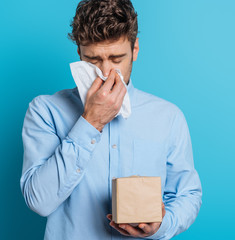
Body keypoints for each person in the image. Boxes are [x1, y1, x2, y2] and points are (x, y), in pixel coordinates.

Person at [20, 0, 202, 239]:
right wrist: (91, 121)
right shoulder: (45, 111)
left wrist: (162, 225)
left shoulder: (168, 117)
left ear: (135, 49)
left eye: (116, 58)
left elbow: (187, 195)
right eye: (93, 60)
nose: (106, 72)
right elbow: (39, 201)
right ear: (79, 53)